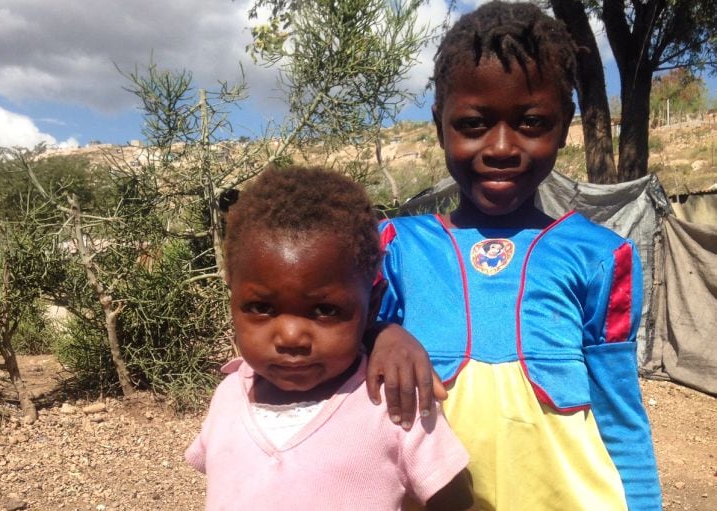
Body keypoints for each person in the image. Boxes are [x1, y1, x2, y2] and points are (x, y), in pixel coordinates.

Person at [366, 2, 662, 510]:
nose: (502, 146)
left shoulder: (598, 256)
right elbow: (336, 351)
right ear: (440, 126)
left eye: (531, 122)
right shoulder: (395, 248)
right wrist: (382, 334)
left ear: (564, 125)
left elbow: (619, 411)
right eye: (474, 124)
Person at [185, 166, 474, 510]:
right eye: (261, 307)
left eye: (325, 310)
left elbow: (455, 501)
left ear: (373, 305)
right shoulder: (228, 396)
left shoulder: (391, 402)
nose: (291, 336)